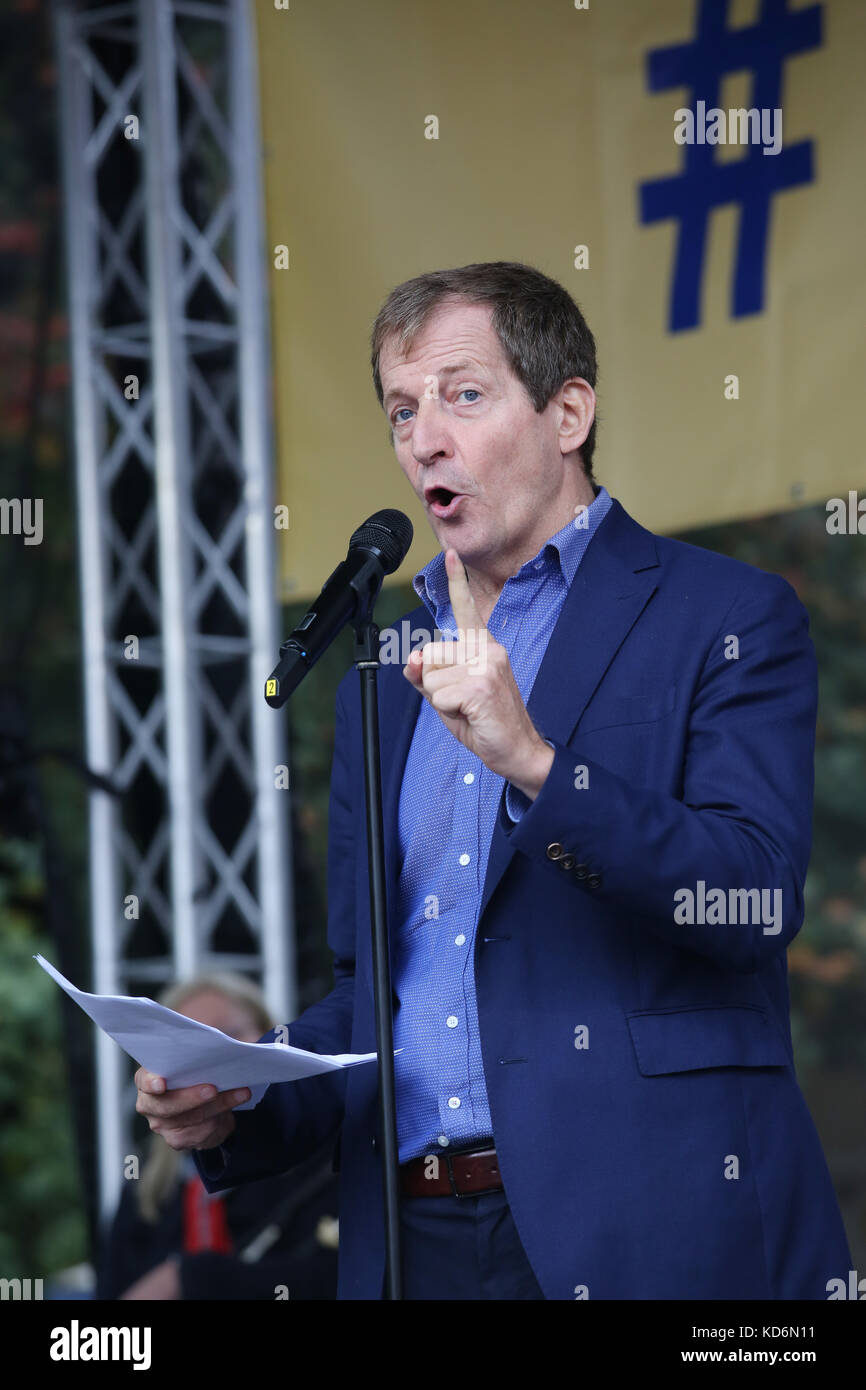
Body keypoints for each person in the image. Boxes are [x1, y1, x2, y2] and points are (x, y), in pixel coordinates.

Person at [135, 261, 852, 1300]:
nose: (423, 435)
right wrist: (236, 1094)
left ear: (566, 412)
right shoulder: (379, 688)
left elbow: (749, 897)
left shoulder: (722, 618)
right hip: (411, 1239)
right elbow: (366, 1000)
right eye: (400, 408)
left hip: (642, 1223)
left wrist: (534, 764)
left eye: (461, 394)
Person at [99, 973, 338, 1300]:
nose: (209, 1059)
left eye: (230, 1037)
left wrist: (189, 1278)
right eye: (187, 1046)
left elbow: (337, 1279)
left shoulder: (318, 1154)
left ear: (271, 1036)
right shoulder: (146, 1189)